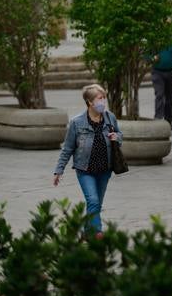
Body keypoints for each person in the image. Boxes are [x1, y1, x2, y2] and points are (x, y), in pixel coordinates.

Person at [53, 84, 123, 237]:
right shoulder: (77, 123)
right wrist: (59, 170)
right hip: (85, 170)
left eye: (104, 98)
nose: (103, 101)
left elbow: (119, 134)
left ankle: (87, 232)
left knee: (96, 203)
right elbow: (68, 148)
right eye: (100, 98)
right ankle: (97, 233)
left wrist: (117, 137)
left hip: (105, 169)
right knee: (93, 200)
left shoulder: (110, 117)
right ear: (90, 102)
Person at [151, 41, 172, 129]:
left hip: (171, 72)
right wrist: (152, 58)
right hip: (157, 72)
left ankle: (168, 121)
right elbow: (146, 55)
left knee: (169, 98)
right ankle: (158, 119)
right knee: (159, 94)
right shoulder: (155, 39)